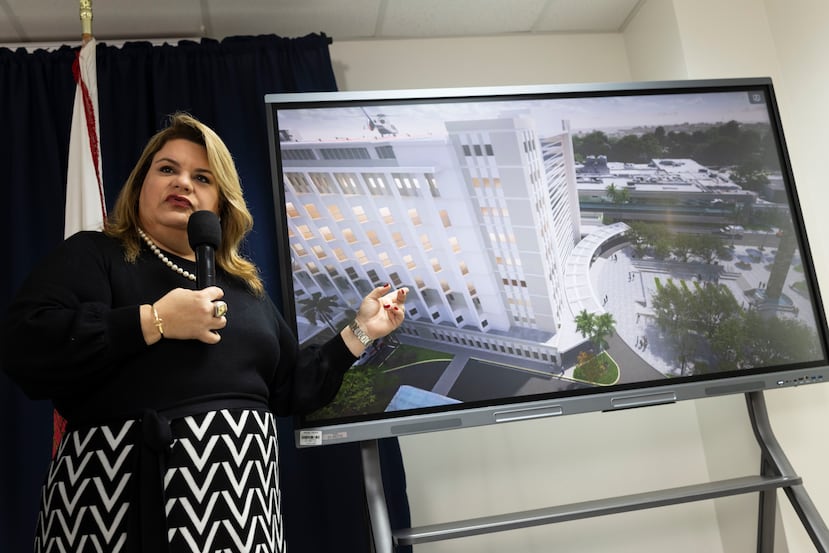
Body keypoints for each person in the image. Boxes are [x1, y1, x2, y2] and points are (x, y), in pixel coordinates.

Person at [1, 113, 408, 553]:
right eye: (167, 169)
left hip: (245, 521)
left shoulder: (244, 286)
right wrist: (153, 321)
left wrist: (361, 330)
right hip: (118, 512)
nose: (183, 183)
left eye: (202, 177)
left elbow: (291, 388)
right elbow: (26, 343)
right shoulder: (96, 254)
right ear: (141, 184)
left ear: (220, 204)